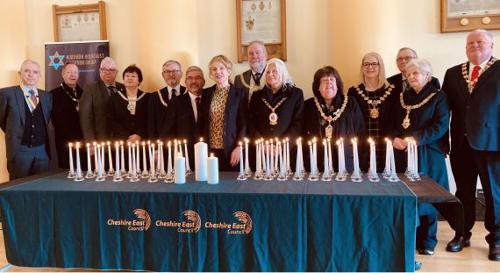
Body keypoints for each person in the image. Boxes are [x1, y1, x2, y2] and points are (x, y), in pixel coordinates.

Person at [442, 29, 500, 261]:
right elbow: (444, 111)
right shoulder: (453, 73)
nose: (475, 46)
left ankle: (496, 240)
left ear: (491, 45)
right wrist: (443, 141)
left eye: (480, 42)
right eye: (470, 43)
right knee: (463, 192)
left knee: (493, 194)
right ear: (466, 48)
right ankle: (461, 234)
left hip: (492, 144)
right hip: (460, 143)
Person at [391, 58, 450, 256]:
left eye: (416, 73)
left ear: (427, 75)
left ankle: (428, 239)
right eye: (408, 74)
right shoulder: (402, 97)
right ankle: (411, 237)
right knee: (407, 195)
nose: (411, 77)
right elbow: (391, 122)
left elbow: (440, 126)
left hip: (428, 153)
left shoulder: (438, 97)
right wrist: (394, 139)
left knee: (427, 195)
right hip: (403, 154)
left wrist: (413, 139)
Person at [303, 66, 365, 172]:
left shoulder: (350, 103)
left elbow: (360, 132)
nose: (329, 83)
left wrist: (361, 162)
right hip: (316, 164)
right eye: (324, 80)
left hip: (346, 163)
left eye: (332, 79)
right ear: (317, 86)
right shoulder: (308, 105)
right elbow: (303, 136)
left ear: (337, 84)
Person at [0, 60, 52, 180]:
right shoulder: (6, 93)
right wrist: (14, 132)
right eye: (27, 71)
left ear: (39, 76)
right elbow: (2, 120)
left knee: (41, 187)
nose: (31, 74)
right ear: (20, 73)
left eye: (35, 72)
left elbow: (46, 119)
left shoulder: (47, 96)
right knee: (18, 188)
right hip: (19, 151)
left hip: (42, 151)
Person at [349, 52, 396, 171]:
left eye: (374, 64)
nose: (370, 67)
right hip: (363, 142)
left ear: (381, 66)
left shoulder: (393, 90)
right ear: (362, 68)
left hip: (386, 141)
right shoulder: (354, 91)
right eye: (366, 64)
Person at [198, 55, 247, 171]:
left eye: (221, 68)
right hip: (210, 151)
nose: (218, 72)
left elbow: (244, 123)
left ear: (228, 71)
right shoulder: (206, 93)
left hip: (231, 150)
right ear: (210, 73)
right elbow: (201, 122)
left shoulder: (239, 94)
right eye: (214, 69)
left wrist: (239, 147)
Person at [248, 58, 304, 140]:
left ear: (282, 73)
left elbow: (298, 123)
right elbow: (251, 123)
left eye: (274, 71)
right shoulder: (257, 96)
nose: (270, 74)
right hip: (262, 147)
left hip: (287, 148)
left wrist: (282, 145)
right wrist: (262, 143)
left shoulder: (295, 94)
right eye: (267, 72)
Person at [166, 66, 206, 168]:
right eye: (190, 78)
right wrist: (176, 151)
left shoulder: (211, 98)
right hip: (184, 154)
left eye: (197, 78)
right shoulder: (175, 102)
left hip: (208, 154)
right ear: (185, 82)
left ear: (204, 81)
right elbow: (168, 130)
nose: (193, 81)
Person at [79, 57, 124, 142]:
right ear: (100, 71)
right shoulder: (90, 89)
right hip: (100, 141)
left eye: (111, 70)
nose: (108, 72)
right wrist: (90, 142)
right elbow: (85, 118)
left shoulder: (123, 88)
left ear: (116, 72)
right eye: (104, 69)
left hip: (121, 141)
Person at [50, 63, 84, 169]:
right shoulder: (53, 94)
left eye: (75, 72)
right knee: (67, 173)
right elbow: (56, 120)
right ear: (63, 74)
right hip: (65, 142)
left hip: (83, 141)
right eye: (68, 72)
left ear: (78, 75)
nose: (72, 75)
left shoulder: (84, 93)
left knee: (83, 171)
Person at [108, 65, 149, 142]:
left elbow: (149, 120)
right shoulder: (114, 98)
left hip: (142, 141)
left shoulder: (147, 98)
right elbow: (111, 120)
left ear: (139, 80)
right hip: (121, 141)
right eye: (127, 76)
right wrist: (126, 136)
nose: (129, 78)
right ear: (123, 79)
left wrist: (139, 135)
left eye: (133, 76)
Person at [148, 60, 186, 139]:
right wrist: (154, 147)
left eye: (175, 71)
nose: (171, 74)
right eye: (167, 71)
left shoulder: (188, 94)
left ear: (181, 74)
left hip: (185, 144)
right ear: (163, 75)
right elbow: (151, 124)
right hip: (162, 145)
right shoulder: (155, 97)